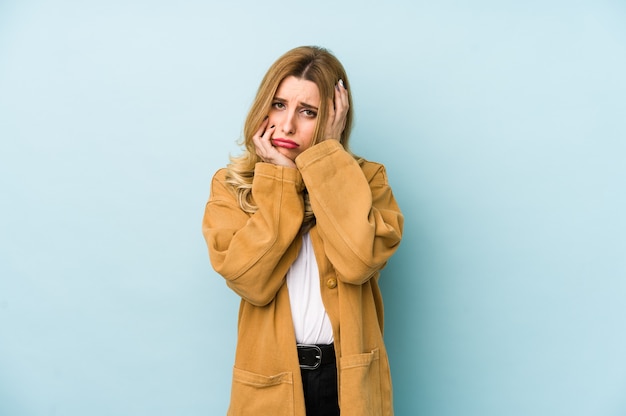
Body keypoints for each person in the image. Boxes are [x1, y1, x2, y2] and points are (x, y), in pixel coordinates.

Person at [202, 45, 403, 416]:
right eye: (279, 105)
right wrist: (280, 180)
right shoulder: (231, 186)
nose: (287, 125)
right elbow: (250, 281)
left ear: (333, 118)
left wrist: (324, 159)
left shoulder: (368, 180)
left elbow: (358, 262)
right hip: (273, 380)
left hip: (347, 383)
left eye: (307, 112)